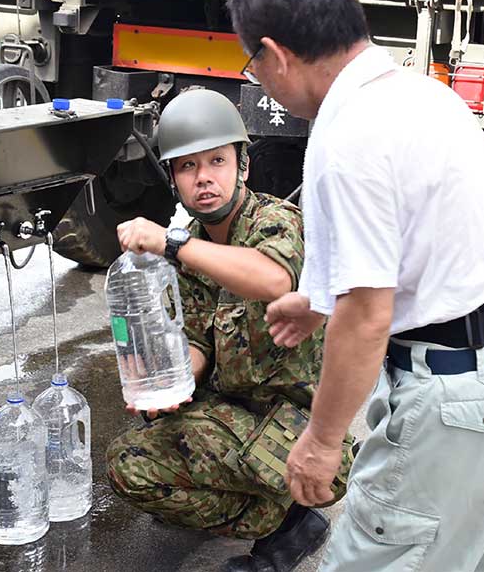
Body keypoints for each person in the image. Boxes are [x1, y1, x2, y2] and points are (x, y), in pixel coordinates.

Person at [226, 0, 484, 572]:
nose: (259, 78)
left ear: (275, 54)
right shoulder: (420, 95)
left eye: (253, 64)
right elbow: (426, 245)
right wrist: (320, 300)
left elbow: (367, 316)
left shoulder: (348, 138)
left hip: (460, 407)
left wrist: (322, 440)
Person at [106, 88, 352, 572]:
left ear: (243, 167)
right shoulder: (194, 247)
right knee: (134, 462)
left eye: (217, 161)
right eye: (187, 167)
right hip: (239, 415)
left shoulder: (275, 221)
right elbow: (199, 339)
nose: (203, 177)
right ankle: (266, 505)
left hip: (303, 431)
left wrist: (169, 242)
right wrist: (169, 383)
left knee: (136, 463)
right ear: (174, 180)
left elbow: (273, 278)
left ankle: (288, 525)